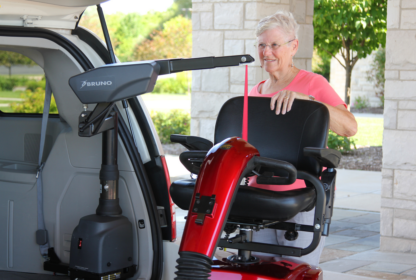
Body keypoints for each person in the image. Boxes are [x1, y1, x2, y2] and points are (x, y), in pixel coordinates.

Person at [249, 11, 358, 266]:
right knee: (258, 271)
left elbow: (349, 127)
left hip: (300, 199)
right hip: (258, 200)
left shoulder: (312, 83)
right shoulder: (254, 92)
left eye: (274, 44)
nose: (267, 52)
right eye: (262, 45)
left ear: (293, 46)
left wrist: (308, 102)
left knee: (295, 271)